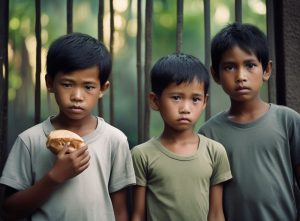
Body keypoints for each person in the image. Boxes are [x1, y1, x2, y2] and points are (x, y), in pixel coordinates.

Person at [0, 33, 136, 221]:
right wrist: (54, 177)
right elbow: (9, 210)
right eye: (67, 84)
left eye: (88, 87)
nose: (77, 96)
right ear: (49, 83)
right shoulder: (30, 140)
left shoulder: (115, 140)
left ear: (103, 89)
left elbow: (120, 211)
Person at [199, 22, 300, 221]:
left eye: (250, 65)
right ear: (216, 74)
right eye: (229, 67)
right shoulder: (208, 134)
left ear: (267, 70)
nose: (241, 76)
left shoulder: (288, 121)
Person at [131, 53, 232, 221]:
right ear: (155, 100)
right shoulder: (142, 155)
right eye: (176, 97)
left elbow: (216, 214)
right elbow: (138, 215)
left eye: (195, 99)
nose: (185, 108)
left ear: (204, 102)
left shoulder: (215, 152)